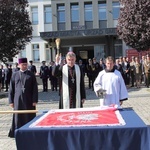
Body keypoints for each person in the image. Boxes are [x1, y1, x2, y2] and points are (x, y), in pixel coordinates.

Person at [8, 58, 38, 138]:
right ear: (19, 65)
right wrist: (11, 101)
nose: (24, 66)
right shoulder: (15, 74)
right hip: (17, 99)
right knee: (18, 116)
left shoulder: (31, 74)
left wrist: (34, 100)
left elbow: (35, 88)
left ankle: (30, 131)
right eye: (22, 65)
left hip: (29, 99)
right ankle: (17, 131)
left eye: (25, 64)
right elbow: (11, 88)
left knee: (29, 115)